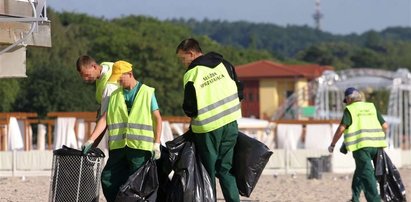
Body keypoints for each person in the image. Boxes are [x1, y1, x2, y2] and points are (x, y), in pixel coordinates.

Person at [82, 60, 162, 202]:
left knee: (137, 184)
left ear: (130, 74)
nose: (118, 81)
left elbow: (158, 119)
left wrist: (156, 143)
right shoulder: (115, 95)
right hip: (119, 147)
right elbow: (105, 119)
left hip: (140, 148)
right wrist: (91, 140)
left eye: (120, 78)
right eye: (116, 78)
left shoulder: (147, 92)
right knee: (107, 178)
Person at [176, 38, 243, 202]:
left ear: (191, 54)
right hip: (231, 124)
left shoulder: (192, 73)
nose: (182, 62)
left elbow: (190, 108)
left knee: (208, 171)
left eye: (182, 58)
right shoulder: (225, 64)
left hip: (208, 128)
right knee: (226, 168)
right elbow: (240, 92)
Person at [328, 87, 388, 202]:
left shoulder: (350, 109)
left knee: (367, 173)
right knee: (361, 170)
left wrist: (332, 144)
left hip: (361, 147)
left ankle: (374, 200)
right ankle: (355, 198)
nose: (346, 104)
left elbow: (341, 129)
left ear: (349, 99)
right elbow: (385, 126)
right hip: (377, 146)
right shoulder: (371, 107)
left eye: (346, 101)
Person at [76, 55, 119, 148]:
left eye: (87, 75)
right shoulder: (106, 66)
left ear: (94, 66)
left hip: (119, 134)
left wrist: (91, 145)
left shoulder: (109, 85)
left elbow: (104, 120)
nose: (86, 79)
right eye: (83, 76)